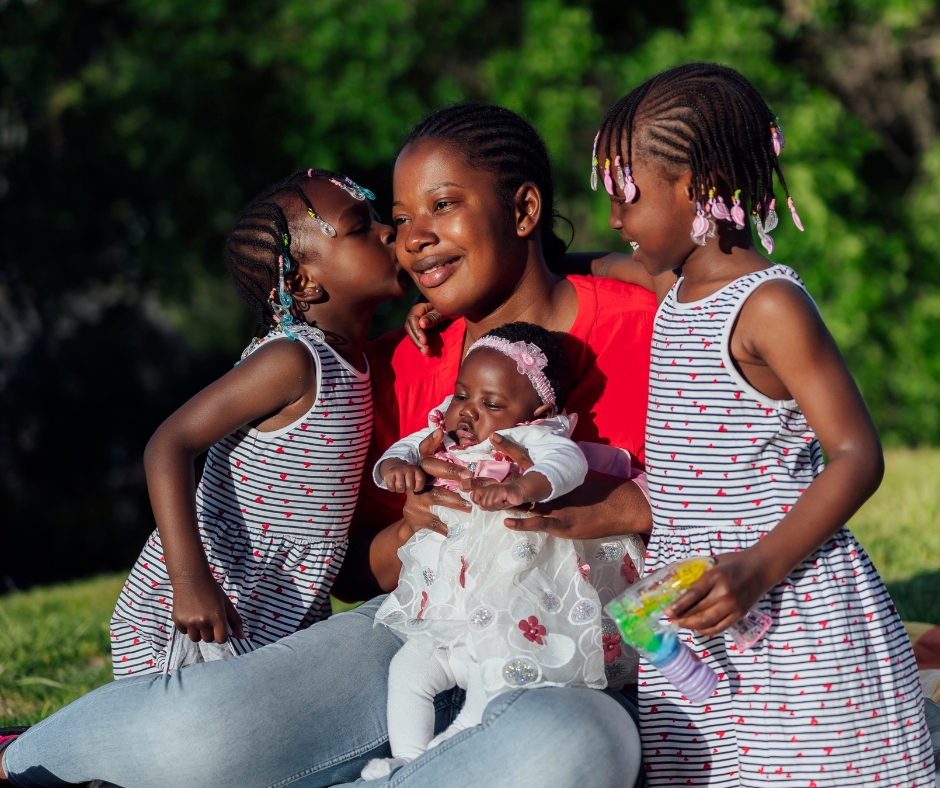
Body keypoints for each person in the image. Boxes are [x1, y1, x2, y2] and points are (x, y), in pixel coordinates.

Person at [0, 104, 653, 788]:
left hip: (582, 666)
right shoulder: (397, 364)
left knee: (569, 745)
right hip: (421, 631)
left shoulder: (646, 325)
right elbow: (349, 569)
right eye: (400, 220)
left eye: (444, 205)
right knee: (199, 734)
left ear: (523, 210)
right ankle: (22, 761)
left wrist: (602, 506)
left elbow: (729, 500)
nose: (413, 237)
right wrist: (411, 529)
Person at [589, 62, 935, 786]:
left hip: (789, 604)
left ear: (698, 184)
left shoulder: (768, 305)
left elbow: (856, 454)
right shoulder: (675, 284)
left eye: (626, 195)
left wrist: (757, 569)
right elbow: (607, 265)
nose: (616, 219)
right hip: (695, 608)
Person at [108, 170, 407, 679]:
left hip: (287, 596)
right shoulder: (293, 360)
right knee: (180, 740)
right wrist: (190, 581)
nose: (388, 232)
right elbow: (169, 445)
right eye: (360, 227)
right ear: (302, 282)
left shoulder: (354, 358)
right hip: (214, 601)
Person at [363, 321, 642, 779]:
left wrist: (523, 487)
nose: (467, 413)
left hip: (506, 610)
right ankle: (409, 759)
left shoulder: (532, 438)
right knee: (408, 669)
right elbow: (405, 448)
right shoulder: (446, 432)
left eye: (491, 403)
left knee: (487, 688)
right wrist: (395, 467)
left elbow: (566, 464)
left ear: (537, 410)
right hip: (450, 608)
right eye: (461, 395)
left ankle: (442, 758)